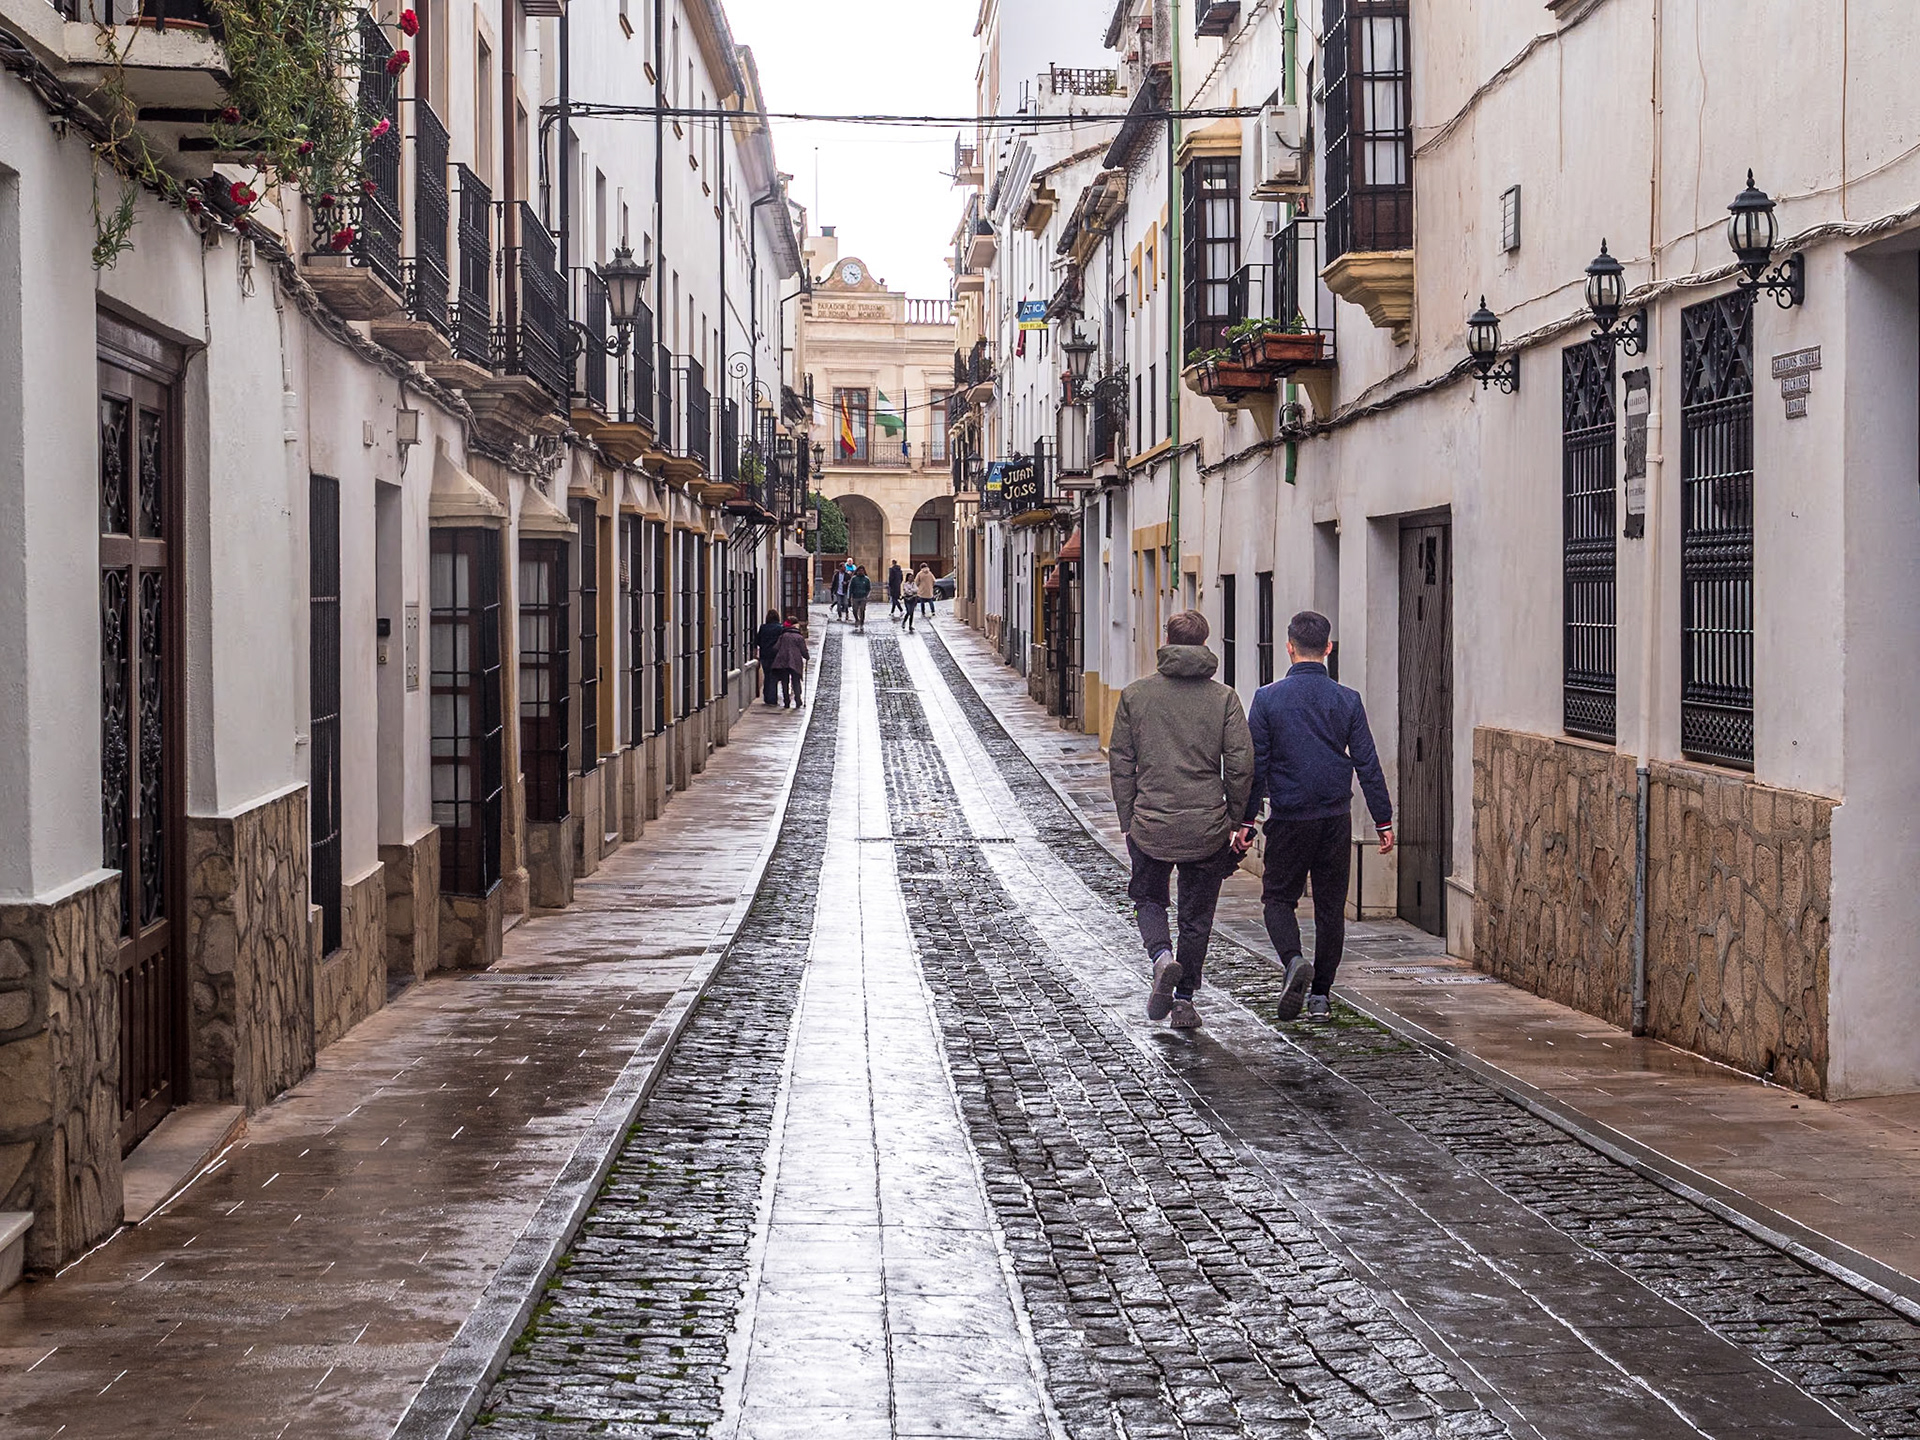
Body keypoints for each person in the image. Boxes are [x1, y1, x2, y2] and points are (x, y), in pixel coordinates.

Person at [1245, 610, 1394, 1022]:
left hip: (1289, 816)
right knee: (1330, 908)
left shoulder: (1267, 699)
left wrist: (1244, 821)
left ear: (1288, 647)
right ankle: (1321, 996)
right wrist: (1383, 820)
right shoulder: (1347, 700)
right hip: (1334, 817)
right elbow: (1367, 762)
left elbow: (1256, 766)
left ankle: (1293, 961)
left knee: (1278, 898)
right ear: (1328, 649)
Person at [1108, 611, 1255, 1029]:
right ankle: (1186, 999)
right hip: (1207, 825)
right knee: (1197, 915)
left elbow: (1122, 759)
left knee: (1148, 898)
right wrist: (1234, 817)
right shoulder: (1223, 698)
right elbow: (1242, 764)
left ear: (1167, 640)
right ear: (1206, 643)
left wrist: (1127, 815)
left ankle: (1161, 958)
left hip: (1150, 821)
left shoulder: (1136, 696)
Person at [772, 614, 808, 707]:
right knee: (795, 681)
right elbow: (803, 650)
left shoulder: (783, 636)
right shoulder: (799, 637)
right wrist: (807, 656)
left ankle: (786, 701)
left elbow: (776, 648)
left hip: (783, 660)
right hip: (795, 661)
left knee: (785, 682)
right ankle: (798, 699)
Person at [754, 609, 787, 706]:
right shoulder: (780, 628)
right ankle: (772, 698)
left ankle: (767, 697)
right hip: (775, 656)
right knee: (774, 677)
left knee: (767, 675)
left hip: (764, 655)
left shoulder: (763, 628)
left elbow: (757, 641)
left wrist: (756, 654)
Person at [848, 565, 873, 632]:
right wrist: (849, 597)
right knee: (855, 610)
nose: (861, 572)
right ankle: (856, 619)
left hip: (863, 597)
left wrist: (867, 595)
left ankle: (861, 622)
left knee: (862, 610)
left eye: (862, 570)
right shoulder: (854, 579)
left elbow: (869, 588)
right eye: (860, 570)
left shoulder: (866, 579)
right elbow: (850, 588)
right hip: (855, 597)